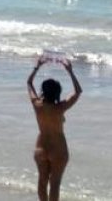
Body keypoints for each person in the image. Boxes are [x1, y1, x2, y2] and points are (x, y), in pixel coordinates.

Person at [27, 59, 83, 201]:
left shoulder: (37, 106)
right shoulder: (60, 108)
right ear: (58, 93)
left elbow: (29, 83)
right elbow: (78, 91)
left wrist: (37, 67)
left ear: (43, 91)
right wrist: (70, 71)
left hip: (41, 148)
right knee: (55, 184)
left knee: (42, 181)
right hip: (58, 150)